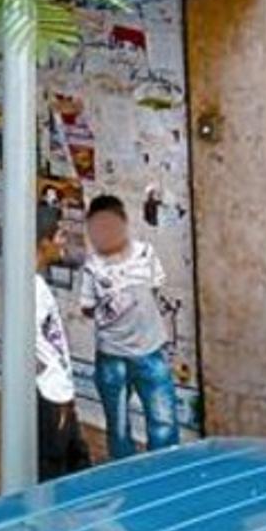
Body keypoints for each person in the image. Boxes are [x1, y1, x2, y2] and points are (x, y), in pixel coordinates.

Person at [79, 194, 179, 459]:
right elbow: (86, 307)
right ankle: (126, 478)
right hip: (111, 356)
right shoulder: (92, 266)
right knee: (119, 427)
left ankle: (165, 475)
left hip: (150, 351)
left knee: (163, 423)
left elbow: (156, 286)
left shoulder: (145, 253)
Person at [34, 204, 92, 480]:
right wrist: (51, 387)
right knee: (56, 470)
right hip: (50, 395)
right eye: (58, 235)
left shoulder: (37, 283)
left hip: (59, 393)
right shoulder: (28, 290)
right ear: (43, 243)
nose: (62, 241)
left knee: (76, 463)